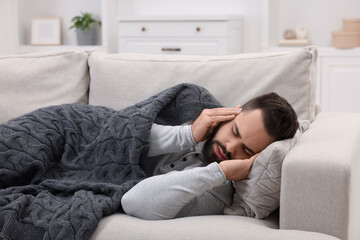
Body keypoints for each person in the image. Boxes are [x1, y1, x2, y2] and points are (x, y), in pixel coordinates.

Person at [121, 92, 299, 220]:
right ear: (231, 114)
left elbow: (134, 202)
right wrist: (189, 134)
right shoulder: (195, 114)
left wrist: (218, 172)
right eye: (235, 132)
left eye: (247, 151)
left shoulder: (217, 192)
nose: (230, 147)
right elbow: (123, 136)